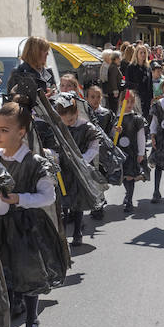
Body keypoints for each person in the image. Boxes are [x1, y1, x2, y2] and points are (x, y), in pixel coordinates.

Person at [0, 100, 68, 327]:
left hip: (27, 227)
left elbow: (48, 196)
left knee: (28, 271)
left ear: (21, 132)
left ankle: (32, 318)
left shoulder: (35, 162)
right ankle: (11, 312)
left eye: (5, 130)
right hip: (0, 225)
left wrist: (19, 199)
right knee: (4, 270)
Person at [53, 94, 102, 246]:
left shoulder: (87, 128)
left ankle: (77, 233)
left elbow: (94, 147)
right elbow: (55, 147)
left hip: (80, 169)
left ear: (76, 113)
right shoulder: (59, 127)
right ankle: (64, 230)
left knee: (78, 200)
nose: (68, 123)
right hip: (63, 168)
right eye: (64, 120)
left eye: (71, 120)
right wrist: (54, 156)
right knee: (63, 198)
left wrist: (82, 160)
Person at [108, 92, 146, 213]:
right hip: (121, 152)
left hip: (132, 151)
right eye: (126, 101)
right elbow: (112, 137)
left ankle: (129, 199)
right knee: (124, 175)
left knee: (130, 176)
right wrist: (115, 132)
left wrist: (141, 153)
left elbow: (141, 137)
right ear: (121, 102)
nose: (129, 104)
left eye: (131, 102)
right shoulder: (116, 119)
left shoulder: (137, 119)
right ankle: (127, 194)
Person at [125, 44, 154, 121]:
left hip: (146, 97)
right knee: (137, 118)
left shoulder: (148, 68)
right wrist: (137, 86)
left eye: (144, 53)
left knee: (145, 118)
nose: (143, 55)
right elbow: (127, 83)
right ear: (136, 54)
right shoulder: (131, 67)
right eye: (141, 52)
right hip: (136, 96)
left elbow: (150, 83)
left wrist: (151, 97)